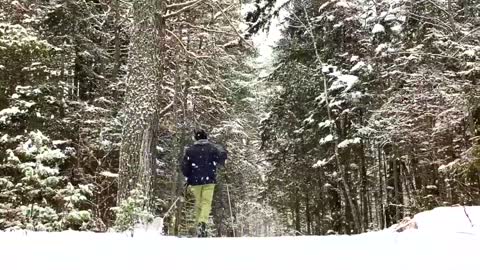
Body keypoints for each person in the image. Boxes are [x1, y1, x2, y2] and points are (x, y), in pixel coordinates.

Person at [181, 129, 227, 237]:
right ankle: (203, 222)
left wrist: (188, 176)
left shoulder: (190, 150)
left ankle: (199, 226)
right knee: (206, 202)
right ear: (206, 137)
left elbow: (185, 166)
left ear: (196, 138)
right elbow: (221, 159)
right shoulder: (212, 148)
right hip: (209, 179)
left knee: (198, 203)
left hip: (195, 181)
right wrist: (223, 152)